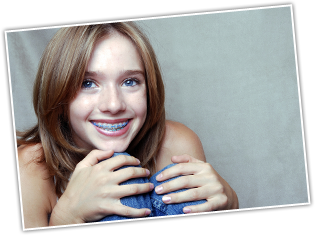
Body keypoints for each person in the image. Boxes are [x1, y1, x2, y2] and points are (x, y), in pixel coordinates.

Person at [17, 22, 238, 229]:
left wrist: (230, 205)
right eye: (87, 83)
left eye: (130, 81)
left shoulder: (177, 143)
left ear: (149, 89)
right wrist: (66, 216)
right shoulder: (29, 167)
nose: (113, 105)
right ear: (59, 94)